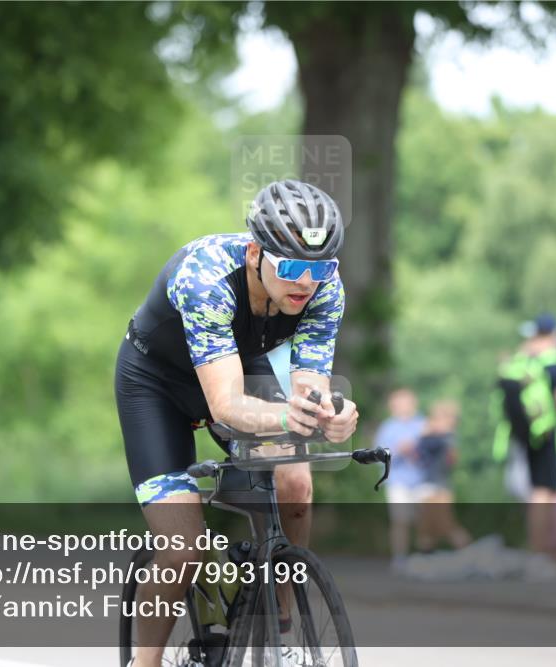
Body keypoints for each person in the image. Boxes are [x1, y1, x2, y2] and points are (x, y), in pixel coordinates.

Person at [114, 180, 358, 667]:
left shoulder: (324, 288)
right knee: (181, 549)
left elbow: (307, 392)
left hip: (240, 365)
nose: (305, 282)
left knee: (295, 478)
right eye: (290, 267)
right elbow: (226, 406)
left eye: (319, 267)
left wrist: (330, 416)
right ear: (254, 254)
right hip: (156, 385)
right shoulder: (204, 278)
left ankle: (281, 635)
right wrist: (287, 415)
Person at [493, 313, 556, 559]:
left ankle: (541, 551)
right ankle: (543, 554)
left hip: (522, 438)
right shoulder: (555, 364)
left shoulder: (520, 362)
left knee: (538, 493)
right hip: (548, 437)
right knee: (545, 493)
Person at [375, 388, 428, 570]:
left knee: (425, 519)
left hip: (422, 480)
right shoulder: (387, 428)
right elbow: (379, 457)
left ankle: (424, 556)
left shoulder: (424, 425)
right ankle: (400, 558)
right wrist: (399, 451)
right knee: (400, 520)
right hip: (397, 481)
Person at [416, 400, 470, 550]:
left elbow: (422, 447)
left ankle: (467, 550)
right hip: (433, 485)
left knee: (444, 525)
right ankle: (427, 556)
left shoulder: (444, 438)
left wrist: (427, 433)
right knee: (428, 527)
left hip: (437, 488)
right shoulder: (443, 438)